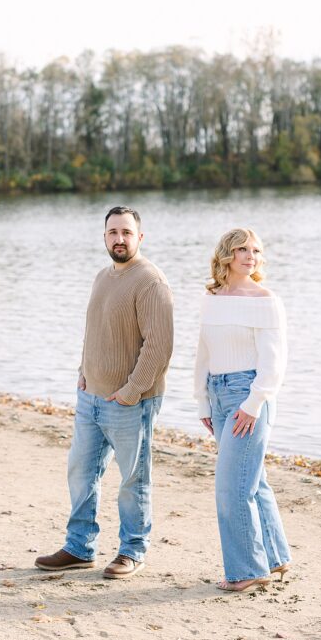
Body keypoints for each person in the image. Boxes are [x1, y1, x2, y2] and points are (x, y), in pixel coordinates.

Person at [35, 206, 174, 579]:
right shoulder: (103, 276)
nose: (119, 239)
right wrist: (83, 371)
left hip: (132, 402)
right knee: (81, 472)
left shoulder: (150, 281)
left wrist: (131, 391)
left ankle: (133, 550)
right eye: (113, 232)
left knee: (133, 479)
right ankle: (79, 547)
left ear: (139, 238)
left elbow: (159, 347)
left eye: (126, 232)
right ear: (104, 237)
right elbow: (95, 329)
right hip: (91, 399)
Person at [194, 227, 291, 593]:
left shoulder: (266, 300)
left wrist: (252, 405)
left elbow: (273, 366)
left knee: (232, 487)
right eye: (243, 250)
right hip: (218, 394)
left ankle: (247, 570)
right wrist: (202, 399)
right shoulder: (212, 298)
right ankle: (275, 556)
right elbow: (203, 352)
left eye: (256, 251)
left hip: (249, 395)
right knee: (252, 480)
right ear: (226, 255)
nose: (251, 256)